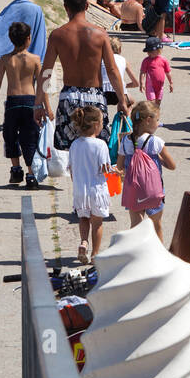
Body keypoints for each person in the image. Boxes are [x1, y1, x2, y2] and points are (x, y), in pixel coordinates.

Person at [36, 0, 129, 150]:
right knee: (98, 149)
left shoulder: (58, 35)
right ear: (87, 5)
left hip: (69, 96)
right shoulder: (100, 34)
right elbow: (112, 70)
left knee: (72, 152)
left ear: (65, 7)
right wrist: (122, 100)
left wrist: (38, 103)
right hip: (95, 97)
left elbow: (47, 72)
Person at [0, 22, 43, 189]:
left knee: (10, 135)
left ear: (11, 39)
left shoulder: (6, 59)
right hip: (30, 102)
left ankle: (16, 169)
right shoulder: (35, 59)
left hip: (12, 102)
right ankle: (31, 175)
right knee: (30, 137)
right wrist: (45, 106)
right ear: (28, 38)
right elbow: (43, 84)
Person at [120, 100, 177, 239]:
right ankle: (158, 255)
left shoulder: (126, 141)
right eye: (157, 120)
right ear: (148, 120)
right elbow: (172, 166)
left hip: (133, 190)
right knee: (156, 225)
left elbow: (120, 165)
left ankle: (134, 254)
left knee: (135, 224)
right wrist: (158, 159)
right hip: (153, 191)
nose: (158, 123)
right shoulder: (156, 142)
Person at [66, 107, 113, 264]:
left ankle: (84, 242)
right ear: (95, 125)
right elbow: (105, 169)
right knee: (97, 224)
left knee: (83, 218)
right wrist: (116, 171)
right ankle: (95, 254)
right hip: (97, 189)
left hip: (80, 190)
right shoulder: (100, 145)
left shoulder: (74, 145)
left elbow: (71, 169)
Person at [140, 37, 173, 104]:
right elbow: (142, 72)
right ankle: (151, 113)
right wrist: (141, 83)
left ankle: (155, 114)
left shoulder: (163, 60)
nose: (149, 53)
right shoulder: (146, 61)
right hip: (150, 86)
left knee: (158, 102)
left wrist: (171, 82)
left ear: (159, 50)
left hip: (160, 86)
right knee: (152, 102)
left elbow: (168, 72)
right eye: (148, 51)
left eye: (151, 51)